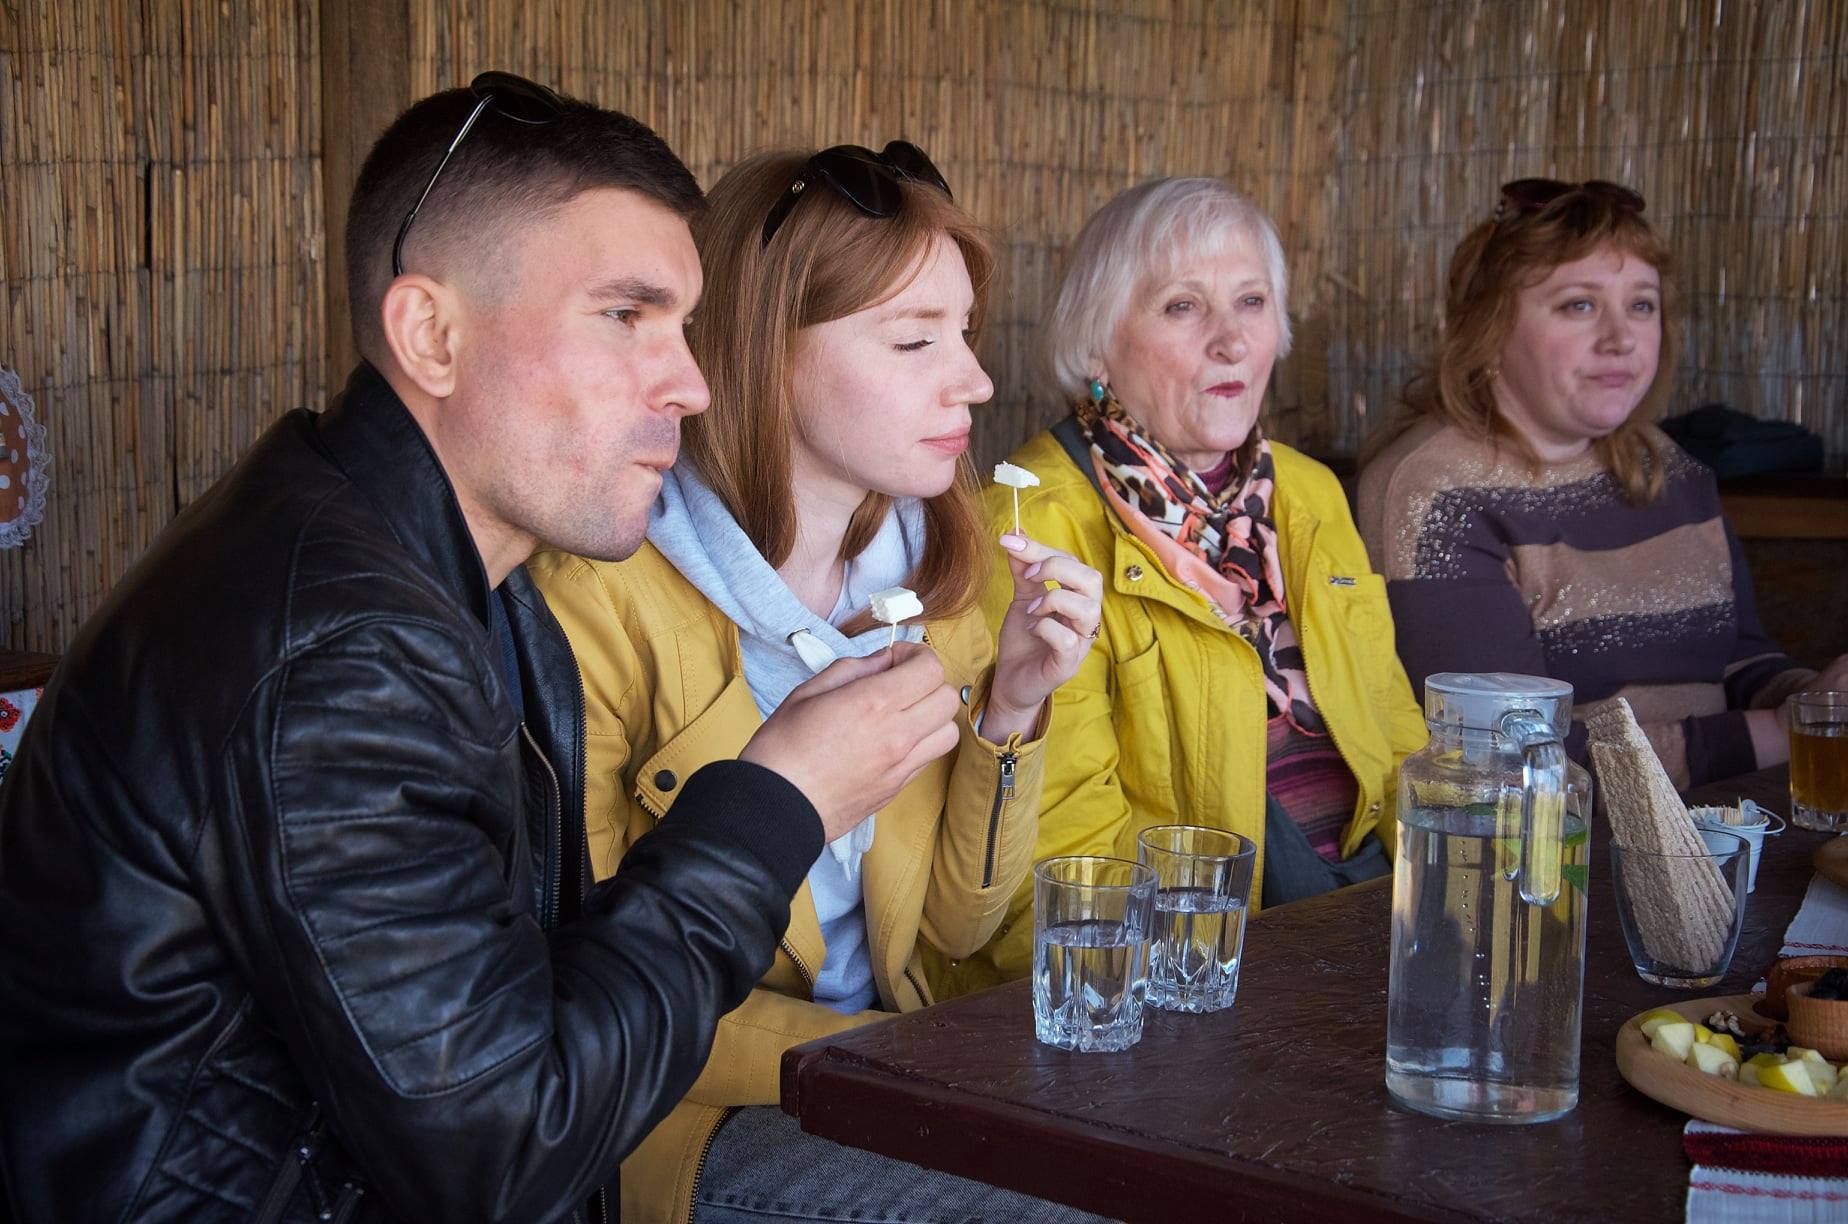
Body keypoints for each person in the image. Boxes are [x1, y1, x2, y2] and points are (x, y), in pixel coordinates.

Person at [0, 77, 961, 1223]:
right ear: (432, 335)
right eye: (625, 316)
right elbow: (500, 1150)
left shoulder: (450, 576)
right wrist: (775, 805)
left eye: (686, 328)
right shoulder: (342, 651)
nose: (692, 386)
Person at [529, 141, 1107, 1224]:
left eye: (966, 333)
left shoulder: (939, 571)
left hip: (901, 1064)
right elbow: (597, 994)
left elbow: (954, 930)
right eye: (915, 340)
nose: (976, 379)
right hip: (688, 1114)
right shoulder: (594, 608)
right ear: (765, 352)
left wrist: (1014, 707)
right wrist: (910, 1062)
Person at [932, 177, 1426, 994]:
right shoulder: (1029, 530)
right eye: (1183, 307)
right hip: (1196, 968)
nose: (1231, 341)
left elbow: (1399, 740)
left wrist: (1441, 928)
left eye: (1251, 302)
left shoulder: (1307, 495)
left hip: (1369, 926)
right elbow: (1062, 860)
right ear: (1097, 346)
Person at [1356, 178, 1845, 789]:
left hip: (1729, 820)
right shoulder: (1437, 491)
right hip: (1565, 843)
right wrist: (1781, 733)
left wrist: (1818, 700)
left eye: (1641, 305)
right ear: (1490, 328)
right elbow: (1512, 761)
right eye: (1579, 305)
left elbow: (1740, 659)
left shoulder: (1665, 464)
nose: (1621, 338)